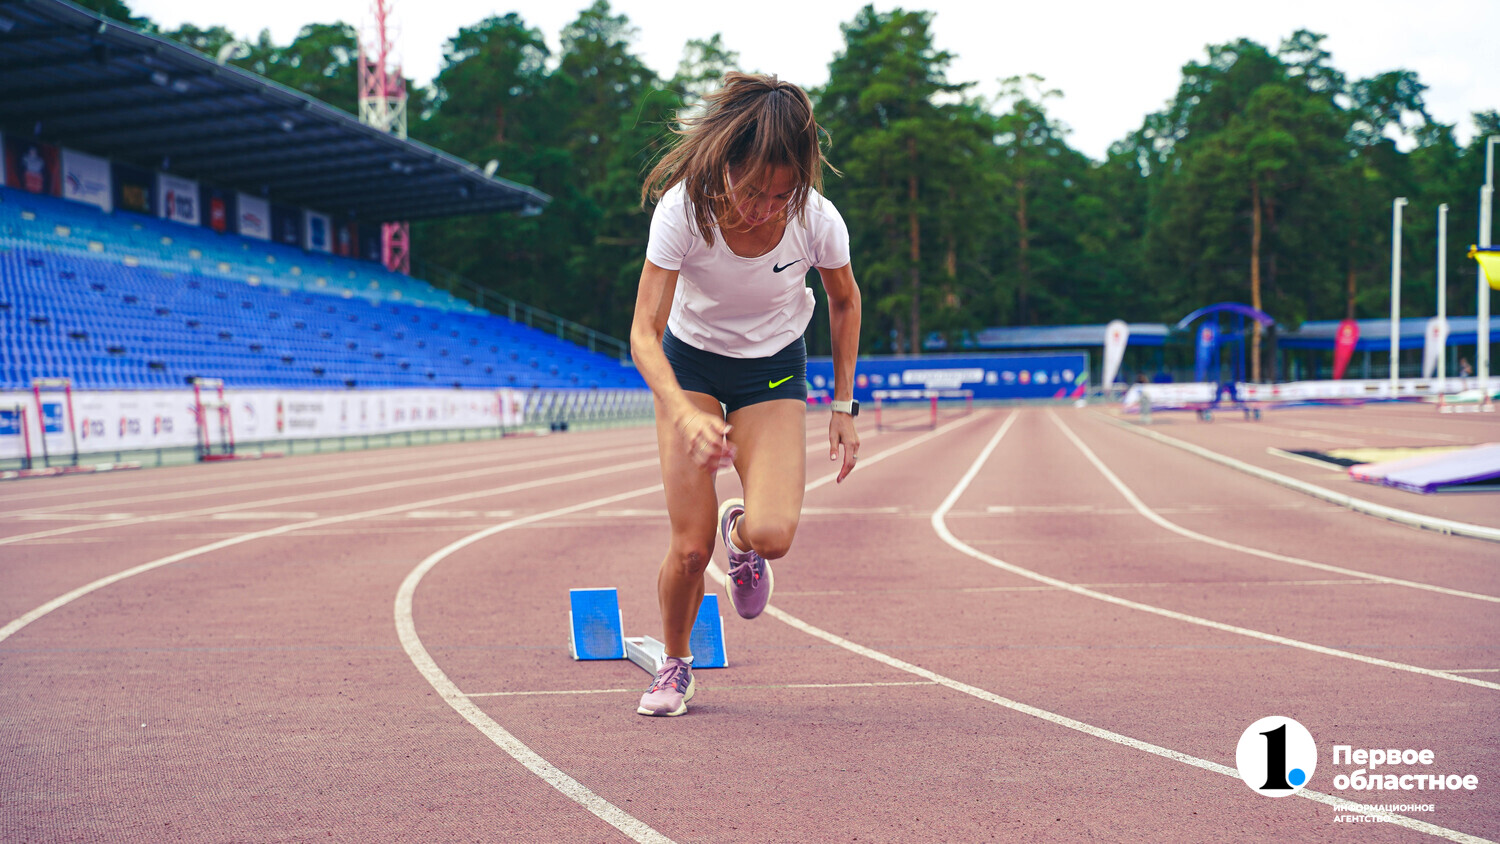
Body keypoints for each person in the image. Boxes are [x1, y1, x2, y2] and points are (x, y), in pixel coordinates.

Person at [629, 72, 862, 717]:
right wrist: (683, 412)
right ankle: (676, 665)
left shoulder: (815, 219)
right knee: (688, 545)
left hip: (774, 370)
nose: (764, 207)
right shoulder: (682, 209)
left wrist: (843, 407)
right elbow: (643, 333)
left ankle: (744, 542)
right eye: (754, 188)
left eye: (781, 194)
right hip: (692, 367)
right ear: (724, 161)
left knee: (773, 533)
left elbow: (844, 303)